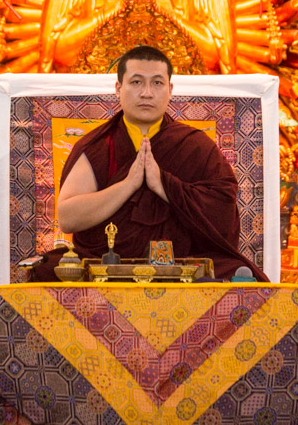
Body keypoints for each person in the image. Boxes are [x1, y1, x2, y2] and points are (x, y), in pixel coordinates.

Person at [52, 45, 268, 281]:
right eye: (136, 82)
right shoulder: (99, 146)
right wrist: (128, 185)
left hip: (184, 265)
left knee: (240, 274)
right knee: (48, 268)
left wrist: (163, 184)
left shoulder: (195, 146)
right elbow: (68, 218)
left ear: (170, 89)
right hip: (105, 265)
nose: (147, 93)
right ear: (118, 88)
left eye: (157, 83)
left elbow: (223, 216)